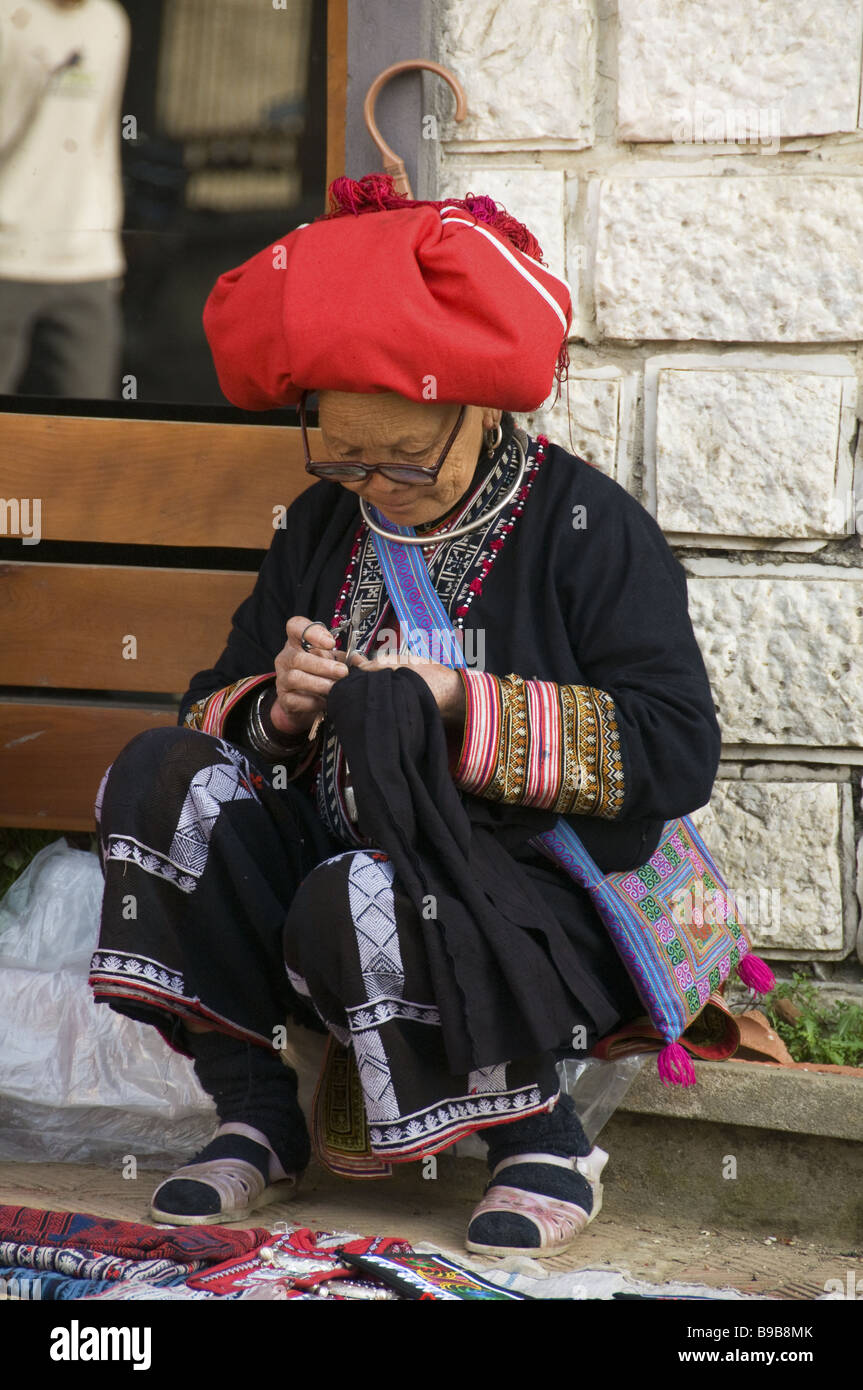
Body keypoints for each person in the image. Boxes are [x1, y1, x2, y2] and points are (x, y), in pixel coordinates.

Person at [89, 174, 721, 1257]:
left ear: (481, 404)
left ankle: (538, 1133)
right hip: (332, 870)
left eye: (404, 459)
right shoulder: (326, 525)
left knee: (376, 798)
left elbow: (674, 748)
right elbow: (210, 702)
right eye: (343, 456)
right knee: (163, 772)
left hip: (525, 892)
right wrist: (276, 709)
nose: (374, 485)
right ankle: (253, 1111)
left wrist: (457, 703)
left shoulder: (584, 528)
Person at [0, 0, 129, 397]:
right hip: (6, 256)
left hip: (85, 262)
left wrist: (108, 233)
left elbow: (101, 136)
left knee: (89, 430)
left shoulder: (109, 21)